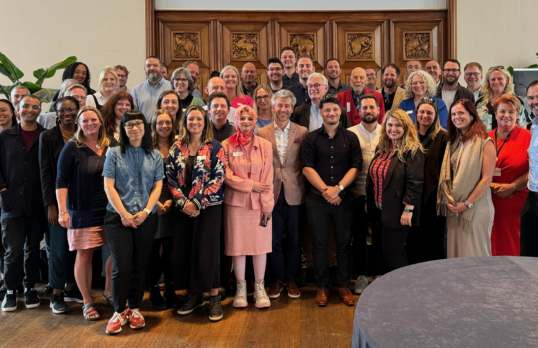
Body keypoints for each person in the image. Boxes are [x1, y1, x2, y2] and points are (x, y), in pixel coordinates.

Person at [102, 110, 163, 334]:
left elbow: (157, 186)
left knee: (140, 265)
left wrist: (147, 210)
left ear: (145, 127)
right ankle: (119, 311)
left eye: (138, 124)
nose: (134, 128)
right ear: (123, 129)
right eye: (129, 125)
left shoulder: (154, 154)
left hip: (146, 217)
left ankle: (135, 308)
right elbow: (109, 185)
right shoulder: (114, 153)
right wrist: (124, 214)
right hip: (117, 218)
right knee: (121, 265)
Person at [167, 105, 226, 321]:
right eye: (191, 119)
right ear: (185, 122)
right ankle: (195, 295)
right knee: (186, 251)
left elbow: (218, 177)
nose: (194, 122)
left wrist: (197, 202)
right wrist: (184, 202)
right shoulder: (176, 148)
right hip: (183, 210)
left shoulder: (214, 147)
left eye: (199, 119)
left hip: (209, 208)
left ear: (205, 122)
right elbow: (171, 179)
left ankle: (214, 296)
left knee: (208, 251)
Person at [302, 94, 362, 307]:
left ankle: (344, 285)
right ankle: (322, 286)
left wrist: (338, 189)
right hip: (317, 200)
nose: (331, 113)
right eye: (327, 110)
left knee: (344, 244)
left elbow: (356, 167)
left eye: (335, 110)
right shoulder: (311, 138)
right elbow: (307, 167)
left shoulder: (351, 138)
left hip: (344, 200)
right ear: (321, 113)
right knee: (319, 244)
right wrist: (327, 191)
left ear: (340, 112)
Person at [56, 106, 115, 319]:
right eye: (85, 121)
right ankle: (88, 302)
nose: (89, 123)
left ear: (100, 121)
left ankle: (109, 292)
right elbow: (61, 180)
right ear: (79, 124)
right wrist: (63, 211)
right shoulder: (72, 147)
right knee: (85, 255)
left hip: (111, 209)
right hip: (82, 209)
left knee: (117, 252)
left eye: (93, 120)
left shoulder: (112, 145)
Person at [221, 105, 274, 309]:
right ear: (236, 121)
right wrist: (251, 185)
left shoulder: (265, 145)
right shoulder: (226, 145)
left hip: (261, 204)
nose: (245, 122)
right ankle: (241, 287)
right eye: (241, 119)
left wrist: (268, 204)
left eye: (249, 119)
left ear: (255, 121)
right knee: (238, 246)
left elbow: (268, 177)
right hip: (235, 204)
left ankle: (259, 288)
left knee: (260, 247)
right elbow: (227, 176)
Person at [258, 89, 307, 299]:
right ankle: (277, 279)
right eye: (280, 105)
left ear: (292, 109)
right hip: (271, 192)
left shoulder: (302, 132)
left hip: (295, 191)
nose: (283, 109)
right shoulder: (261, 133)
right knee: (274, 238)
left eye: (287, 106)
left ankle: (292, 279)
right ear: (273, 106)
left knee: (295, 239)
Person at [0, 95, 46, 312]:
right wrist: (3, 192)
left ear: (40, 110)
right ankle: (11, 291)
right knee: (13, 251)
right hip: (12, 204)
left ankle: (30, 288)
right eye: (26, 106)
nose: (30, 110)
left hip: (37, 204)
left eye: (35, 107)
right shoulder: (5, 136)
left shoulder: (46, 136)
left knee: (33, 250)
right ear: (18, 110)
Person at [366, 109, 424, 272]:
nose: (393, 129)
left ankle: (406, 290)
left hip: (398, 211)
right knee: (392, 252)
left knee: (392, 253)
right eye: (390, 125)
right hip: (379, 209)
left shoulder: (412, 150)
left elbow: (415, 183)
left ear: (406, 127)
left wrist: (408, 209)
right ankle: (399, 287)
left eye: (398, 125)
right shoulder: (383, 147)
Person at [39, 97, 82, 313]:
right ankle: (56, 293)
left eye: (71, 109)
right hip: (58, 202)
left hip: (82, 202)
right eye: (62, 110)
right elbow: (45, 174)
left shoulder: (84, 134)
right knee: (57, 249)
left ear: (78, 110)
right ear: (56, 113)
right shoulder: (47, 137)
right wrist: (51, 206)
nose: (67, 113)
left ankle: (72, 287)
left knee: (77, 246)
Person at [437, 99, 496, 258]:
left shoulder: (485, 141)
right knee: (456, 255)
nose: (457, 117)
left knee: (475, 255)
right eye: (454, 114)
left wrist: (467, 203)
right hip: (455, 208)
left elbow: (486, 179)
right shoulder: (454, 141)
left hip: (476, 208)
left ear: (472, 115)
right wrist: (450, 198)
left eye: (461, 113)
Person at [406, 98, 448, 264]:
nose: (425, 115)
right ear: (416, 114)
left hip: (433, 199)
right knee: (412, 241)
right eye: (422, 112)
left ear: (436, 115)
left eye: (429, 112)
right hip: (411, 197)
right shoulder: (408, 136)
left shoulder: (443, 137)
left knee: (434, 242)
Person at [488, 94, 531, 256]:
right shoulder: (486, 138)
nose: (506, 115)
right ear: (496, 113)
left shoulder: (529, 137)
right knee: (490, 239)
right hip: (488, 196)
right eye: (502, 111)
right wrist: (489, 185)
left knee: (513, 240)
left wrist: (512, 186)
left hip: (516, 199)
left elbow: (535, 170)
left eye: (511, 112)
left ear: (517, 115)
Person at [347, 94, 381, 294]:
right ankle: (361, 275)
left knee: (379, 236)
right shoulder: (350, 133)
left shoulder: (388, 131)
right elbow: (345, 163)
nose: (368, 111)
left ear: (378, 110)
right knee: (358, 237)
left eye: (371, 107)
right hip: (357, 194)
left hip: (380, 196)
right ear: (359, 111)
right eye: (364, 108)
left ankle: (377, 273)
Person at [146, 109, 180, 310]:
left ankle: (171, 290)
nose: (164, 126)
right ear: (154, 125)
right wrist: (155, 202)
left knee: (171, 252)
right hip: (152, 204)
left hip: (174, 204)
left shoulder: (178, 146)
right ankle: (153, 291)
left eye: (168, 123)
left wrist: (173, 200)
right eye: (160, 123)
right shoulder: (146, 148)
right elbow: (141, 179)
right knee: (152, 251)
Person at [476, 67, 530, 132]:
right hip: (485, 141)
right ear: (489, 82)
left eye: (500, 78)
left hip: (510, 141)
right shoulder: (480, 102)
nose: (496, 82)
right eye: (493, 79)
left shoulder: (516, 101)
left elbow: (523, 127)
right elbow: (474, 125)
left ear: (506, 80)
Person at [521, 80, 538, 257]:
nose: (534, 102)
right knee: (528, 254)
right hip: (532, 198)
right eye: (531, 98)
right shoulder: (531, 127)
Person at [131, 56, 173, 121]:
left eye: (155, 65)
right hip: (144, 130)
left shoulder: (172, 87)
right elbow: (133, 115)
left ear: (161, 68)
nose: (152, 68)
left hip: (166, 128)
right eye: (148, 66)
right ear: (144, 69)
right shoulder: (136, 91)